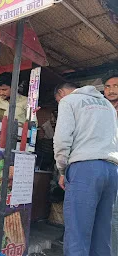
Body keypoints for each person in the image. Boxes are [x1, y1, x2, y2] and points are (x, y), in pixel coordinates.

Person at [53, 83, 118, 256]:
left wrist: (62, 170)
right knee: (102, 234)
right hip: (112, 169)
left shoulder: (69, 102)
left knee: (77, 233)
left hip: (84, 168)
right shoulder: (108, 106)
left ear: (61, 93)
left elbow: (61, 141)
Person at [103, 73, 118, 256]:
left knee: (114, 215)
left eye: (115, 86)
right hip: (102, 166)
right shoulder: (100, 108)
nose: (111, 90)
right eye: (108, 86)